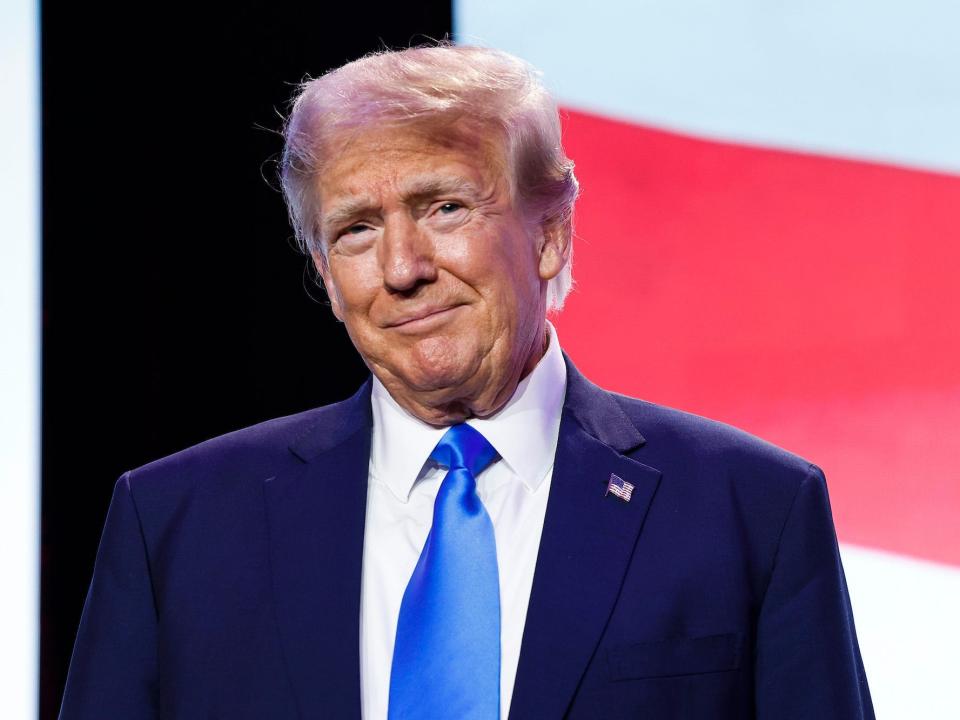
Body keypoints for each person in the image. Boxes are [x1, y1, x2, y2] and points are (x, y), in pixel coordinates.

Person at [59, 45, 874, 719]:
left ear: (551, 233)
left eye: (444, 207)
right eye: (356, 229)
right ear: (324, 272)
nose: (403, 268)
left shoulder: (752, 512)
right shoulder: (174, 527)